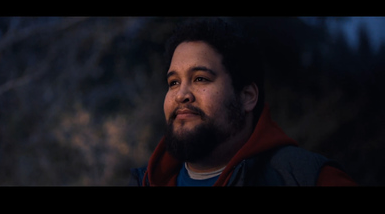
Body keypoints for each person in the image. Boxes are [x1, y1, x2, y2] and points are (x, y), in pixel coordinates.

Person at [128, 18, 357, 186]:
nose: (181, 95)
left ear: (247, 97)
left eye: (200, 78)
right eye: (174, 82)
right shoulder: (145, 181)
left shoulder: (309, 179)